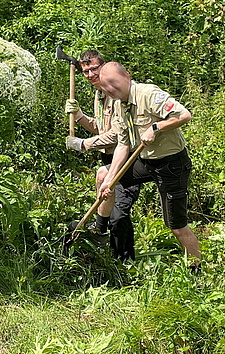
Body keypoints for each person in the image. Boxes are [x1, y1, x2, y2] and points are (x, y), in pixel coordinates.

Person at [96, 62, 201, 262]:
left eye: (113, 82)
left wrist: (156, 128)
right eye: (105, 86)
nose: (110, 89)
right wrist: (110, 180)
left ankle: (196, 272)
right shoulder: (119, 105)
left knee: (177, 227)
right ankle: (99, 229)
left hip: (171, 165)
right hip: (146, 162)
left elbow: (184, 115)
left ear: (127, 75)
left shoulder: (148, 94)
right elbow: (122, 146)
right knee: (103, 175)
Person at [65, 50, 151, 260]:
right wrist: (79, 116)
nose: (90, 74)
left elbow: (116, 136)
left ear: (103, 66)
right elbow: (101, 128)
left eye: (94, 68)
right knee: (110, 211)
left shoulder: (115, 91)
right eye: (85, 71)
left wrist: (83, 144)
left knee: (119, 213)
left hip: (128, 160)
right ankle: (111, 256)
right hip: (108, 160)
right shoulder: (99, 94)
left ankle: (125, 261)